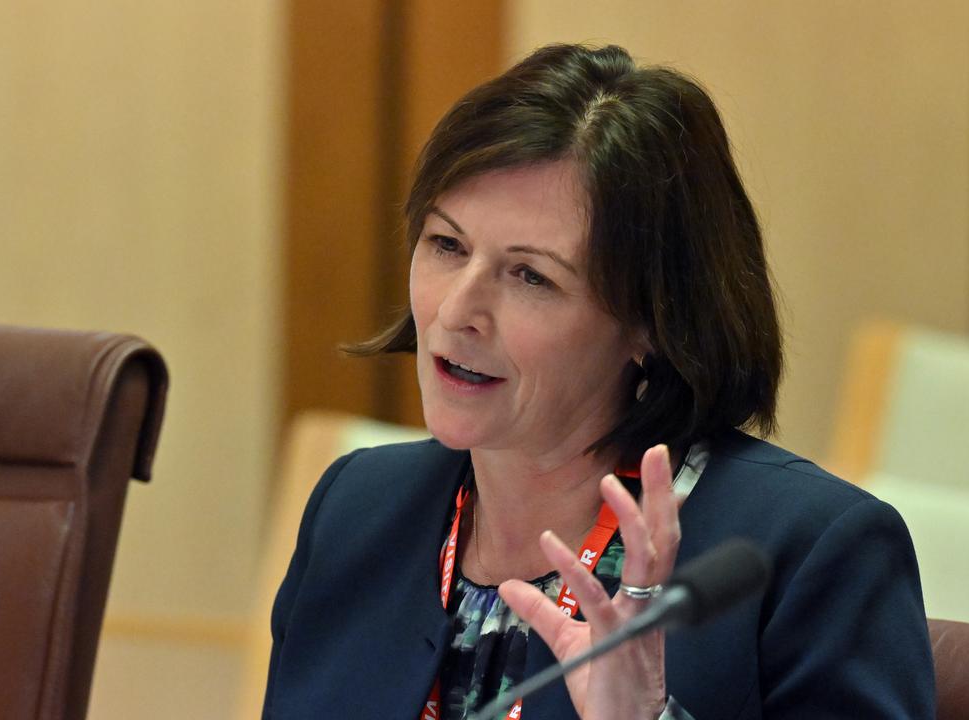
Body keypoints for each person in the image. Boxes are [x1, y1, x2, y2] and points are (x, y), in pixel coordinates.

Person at [263, 43, 934, 719]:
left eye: (531, 276)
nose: (458, 311)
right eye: (447, 245)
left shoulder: (804, 555)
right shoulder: (357, 511)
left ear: (651, 320)